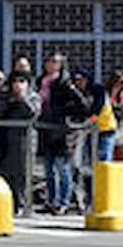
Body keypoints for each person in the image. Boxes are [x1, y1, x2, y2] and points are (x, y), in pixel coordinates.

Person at [37, 53, 87, 214]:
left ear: (61, 64)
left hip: (61, 130)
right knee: (48, 168)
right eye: (48, 61)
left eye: (54, 61)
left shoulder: (65, 83)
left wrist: (66, 115)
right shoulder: (42, 81)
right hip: (45, 127)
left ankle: (64, 202)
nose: (50, 64)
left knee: (62, 167)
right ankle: (51, 200)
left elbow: (82, 104)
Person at [0, 70, 42, 211]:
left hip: (25, 141)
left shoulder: (33, 97)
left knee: (23, 174)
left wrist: (21, 97)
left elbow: (32, 113)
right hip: (5, 141)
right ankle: (9, 203)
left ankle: (22, 203)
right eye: (15, 81)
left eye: (22, 81)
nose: (18, 84)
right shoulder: (5, 96)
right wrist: (8, 100)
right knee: (6, 173)